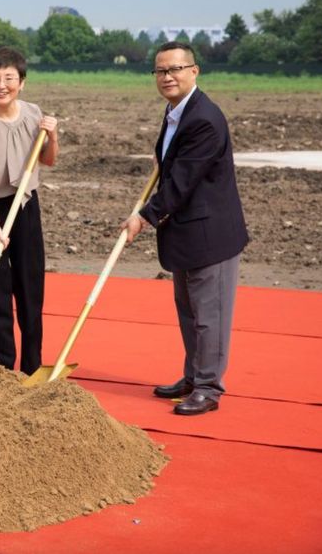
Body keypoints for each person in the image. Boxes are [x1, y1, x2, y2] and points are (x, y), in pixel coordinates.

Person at [123, 42, 248, 416]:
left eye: (175, 69)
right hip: (185, 232)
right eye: (161, 70)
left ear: (194, 71)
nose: (167, 77)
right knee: (189, 312)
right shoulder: (175, 111)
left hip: (210, 234)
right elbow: (173, 165)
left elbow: (182, 182)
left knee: (210, 317)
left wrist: (144, 216)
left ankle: (209, 388)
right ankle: (194, 377)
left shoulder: (204, 119)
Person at [0, 47, 58, 375]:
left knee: (30, 284)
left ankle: (32, 366)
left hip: (25, 205)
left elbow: (48, 160)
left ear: (22, 82)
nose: (1, 85)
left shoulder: (34, 114)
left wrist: (52, 135)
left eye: (9, 78)